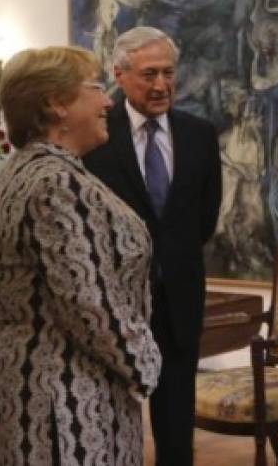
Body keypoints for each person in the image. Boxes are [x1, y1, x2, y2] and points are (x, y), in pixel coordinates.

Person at [0, 45, 161, 465]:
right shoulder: (56, 183)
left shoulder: (25, 169)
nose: (107, 100)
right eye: (95, 87)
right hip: (61, 399)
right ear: (56, 104)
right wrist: (144, 362)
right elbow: (88, 303)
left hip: (27, 385)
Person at [84, 26, 222, 466]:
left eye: (168, 73)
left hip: (179, 296)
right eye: (148, 74)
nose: (161, 85)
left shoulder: (200, 134)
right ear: (119, 75)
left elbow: (204, 218)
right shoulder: (96, 139)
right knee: (107, 411)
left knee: (176, 418)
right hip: (114, 302)